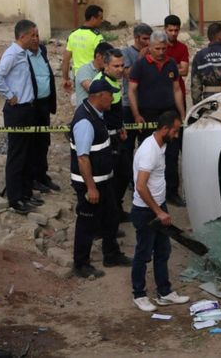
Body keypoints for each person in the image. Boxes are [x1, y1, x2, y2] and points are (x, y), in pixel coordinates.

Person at [69, 79, 132, 279]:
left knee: (111, 217)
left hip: (104, 180)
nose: (113, 98)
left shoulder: (96, 114)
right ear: (99, 96)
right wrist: (91, 188)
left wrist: (117, 138)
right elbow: (83, 158)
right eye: (110, 94)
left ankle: (111, 254)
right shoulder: (85, 122)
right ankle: (81, 264)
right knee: (87, 223)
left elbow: (99, 144)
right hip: (91, 184)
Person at [130, 111, 190, 312]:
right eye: (174, 131)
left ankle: (164, 292)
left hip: (157, 207)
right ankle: (139, 295)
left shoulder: (161, 145)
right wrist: (158, 211)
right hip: (146, 210)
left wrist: (161, 208)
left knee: (163, 250)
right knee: (143, 253)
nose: (176, 135)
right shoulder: (149, 152)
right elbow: (140, 186)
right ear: (164, 129)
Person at [0, 19, 43, 214]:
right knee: (17, 155)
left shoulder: (25, 53)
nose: (35, 38)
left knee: (28, 153)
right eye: (33, 35)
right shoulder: (12, 54)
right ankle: (15, 199)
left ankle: (26, 193)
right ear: (23, 36)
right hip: (17, 111)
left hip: (28, 109)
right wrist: (9, 95)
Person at [128, 31, 185, 207]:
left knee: (172, 153)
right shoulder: (140, 65)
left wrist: (182, 114)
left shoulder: (171, 64)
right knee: (146, 153)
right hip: (147, 115)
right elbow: (132, 91)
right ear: (149, 47)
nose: (161, 52)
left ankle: (172, 191)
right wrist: (137, 115)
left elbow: (176, 90)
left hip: (168, 114)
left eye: (163, 48)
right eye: (157, 48)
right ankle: (141, 189)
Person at [117, 23, 153, 220]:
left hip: (146, 105)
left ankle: (143, 177)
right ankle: (130, 180)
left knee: (145, 144)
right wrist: (141, 57)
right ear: (137, 38)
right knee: (127, 145)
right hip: (127, 106)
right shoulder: (127, 53)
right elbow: (128, 74)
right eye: (145, 39)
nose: (147, 43)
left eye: (150, 39)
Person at [92, 49, 128, 220]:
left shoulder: (113, 81)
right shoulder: (101, 85)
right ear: (106, 65)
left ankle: (116, 211)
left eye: (122, 65)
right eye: (116, 66)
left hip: (117, 136)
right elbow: (97, 114)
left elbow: (115, 110)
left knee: (124, 175)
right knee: (109, 180)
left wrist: (120, 127)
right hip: (106, 140)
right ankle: (106, 219)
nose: (120, 69)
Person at [26, 29, 60, 193]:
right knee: (33, 142)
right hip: (32, 105)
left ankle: (42, 175)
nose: (35, 39)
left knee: (44, 140)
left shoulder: (43, 50)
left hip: (45, 103)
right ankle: (32, 178)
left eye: (37, 35)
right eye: (32, 36)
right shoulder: (22, 55)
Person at [62, 5, 104, 96]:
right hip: (94, 76)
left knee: (81, 104)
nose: (102, 21)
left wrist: (65, 78)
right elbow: (103, 57)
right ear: (93, 18)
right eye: (100, 18)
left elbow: (66, 59)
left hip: (78, 77)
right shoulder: (96, 36)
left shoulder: (73, 35)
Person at [190, 22, 221, 104]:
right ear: (220, 36)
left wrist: (198, 106)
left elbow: (195, 86)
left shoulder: (199, 56)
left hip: (209, 100)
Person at [74, 42, 113, 107]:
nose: (108, 61)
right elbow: (92, 89)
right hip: (86, 112)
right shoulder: (84, 70)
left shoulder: (104, 71)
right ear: (98, 56)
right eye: (107, 59)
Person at [163, 15, 190, 110]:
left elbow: (185, 71)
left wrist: (165, 68)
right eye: (170, 30)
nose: (174, 33)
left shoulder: (182, 48)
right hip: (162, 94)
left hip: (179, 91)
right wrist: (176, 66)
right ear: (165, 29)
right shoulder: (159, 48)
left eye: (176, 30)